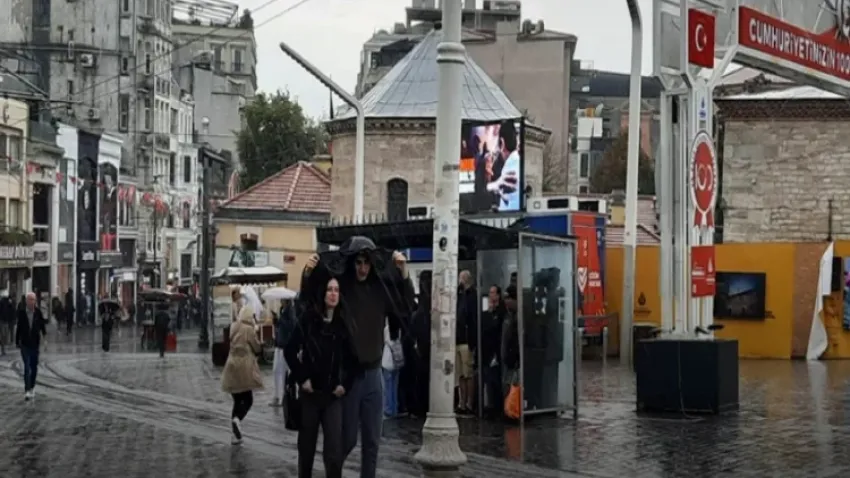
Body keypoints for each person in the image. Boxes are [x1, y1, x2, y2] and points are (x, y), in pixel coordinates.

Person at [302, 237, 412, 478]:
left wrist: (404, 275)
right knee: (348, 439)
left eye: (367, 262)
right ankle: (333, 471)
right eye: (359, 262)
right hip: (351, 377)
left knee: (372, 441)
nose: (363, 267)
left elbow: (404, 308)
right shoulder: (344, 290)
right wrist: (307, 274)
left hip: (374, 375)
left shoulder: (380, 291)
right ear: (353, 263)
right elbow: (313, 300)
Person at [285, 277, 352, 478]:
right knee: (306, 450)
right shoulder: (308, 319)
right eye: (329, 289)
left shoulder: (342, 323)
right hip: (311, 396)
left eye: (336, 290)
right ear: (323, 294)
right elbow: (290, 350)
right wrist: (302, 378)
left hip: (332, 396)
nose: (333, 294)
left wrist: (344, 384)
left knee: (333, 453)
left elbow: (352, 360)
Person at [221, 305, 264, 445]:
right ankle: (237, 419)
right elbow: (256, 347)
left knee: (237, 399)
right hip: (244, 367)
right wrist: (260, 343)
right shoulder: (248, 329)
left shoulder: (234, 326)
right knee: (248, 399)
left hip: (231, 365)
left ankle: (235, 435)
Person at [16, 292, 47, 401]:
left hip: (35, 344)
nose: (31, 302)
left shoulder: (38, 313)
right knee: (27, 367)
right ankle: (27, 390)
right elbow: (19, 327)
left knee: (33, 368)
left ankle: (32, 386)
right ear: (26, 301)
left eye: (33, 299)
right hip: (24, 344)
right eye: (29, 299)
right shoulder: (22, 313)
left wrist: (45, 339)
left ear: (35, 301)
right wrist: (17, 341)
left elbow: (42, 327)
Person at [481, 285, 506, 417]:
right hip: (487, 350)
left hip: (497, 350)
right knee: (489, 379)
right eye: (489, 293)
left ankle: (498, 406)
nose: (491, 296)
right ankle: (491, 405)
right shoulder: (488, 313)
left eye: (493, 293)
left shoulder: (501, 312)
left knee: (496, 379)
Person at [455, 270, 478, 415]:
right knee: (460, 375)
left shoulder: (471, 296)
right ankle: (461, 402)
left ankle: (469, 403)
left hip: (466, 340)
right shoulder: (460, 296)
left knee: (468, 373)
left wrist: (472, 341)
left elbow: (472, 318)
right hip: (458, 338)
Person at [271, 298, 296, 407]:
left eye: (282, 300)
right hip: (279, 344)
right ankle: (277, 395)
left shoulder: (290, 311)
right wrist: (276, 320)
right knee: (276, 370)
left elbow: (292, 326)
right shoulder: (282, 310)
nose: (280, 301)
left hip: (285, 345)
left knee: (282, 371)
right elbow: (279, 326)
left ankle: (282, 397)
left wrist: (280, 320)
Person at [0, 290, 13, 356]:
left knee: (3, 336)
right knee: (4, 336)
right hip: (4, 321)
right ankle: (3, 350)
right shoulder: (6, 302)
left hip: (4, 321)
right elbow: (11, 311)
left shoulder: (4, 302)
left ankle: (3, 349)